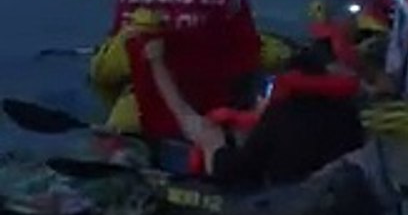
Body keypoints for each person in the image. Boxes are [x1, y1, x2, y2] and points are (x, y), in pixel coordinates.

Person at [141, 35, 365, 190]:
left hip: (279, 207)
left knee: (206, 136)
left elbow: (237, 171)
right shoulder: (348, 114)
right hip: (319, 206)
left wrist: (215, 147)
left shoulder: (280, 116)